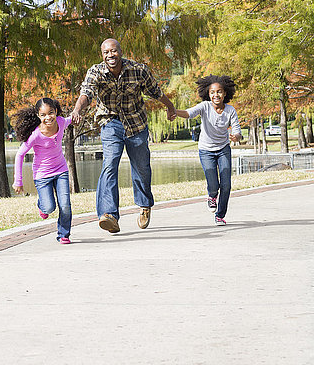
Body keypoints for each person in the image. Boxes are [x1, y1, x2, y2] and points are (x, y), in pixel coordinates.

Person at [71, 38, 176, 234]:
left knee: (141, 168)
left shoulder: (138, 70)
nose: (110, 55)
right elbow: (87, 93)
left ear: (120, 51)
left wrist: (170, 107)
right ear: (102, 55)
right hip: (110, 122)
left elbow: (156, 91)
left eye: (114, 51)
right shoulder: (95, 71)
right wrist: (77, 109)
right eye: (106, 52)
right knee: (110, 163)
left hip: (136, 123)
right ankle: (109, 215)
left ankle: (145, 205)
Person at [175, 75, 242, 226]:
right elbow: (188, 113)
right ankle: (212, 196)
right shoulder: (205, 106)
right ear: (208, 93)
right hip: (206, 150)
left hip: (223, 149)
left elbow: (237, 130)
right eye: (212, 92)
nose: (216, 95)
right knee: (213, 184)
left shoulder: (230, 110)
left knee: (226, 185)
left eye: (219, 92)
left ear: (225, 93)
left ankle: (220, 215)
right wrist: (173, 110)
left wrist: (236, 137)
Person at [12, 98, 72, 244]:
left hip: (61, 170)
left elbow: (70, 119)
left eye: (50, 113)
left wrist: (76, 115)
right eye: (43, 115)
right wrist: (18, 181)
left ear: (55, 112)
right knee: (49, 207)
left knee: (65, 205)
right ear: (38, 115)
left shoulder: (61, 122)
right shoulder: (35, 134)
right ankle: (42, 205)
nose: (48, 118)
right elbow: (20, 155)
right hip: (42, 175)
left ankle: (64, 234)